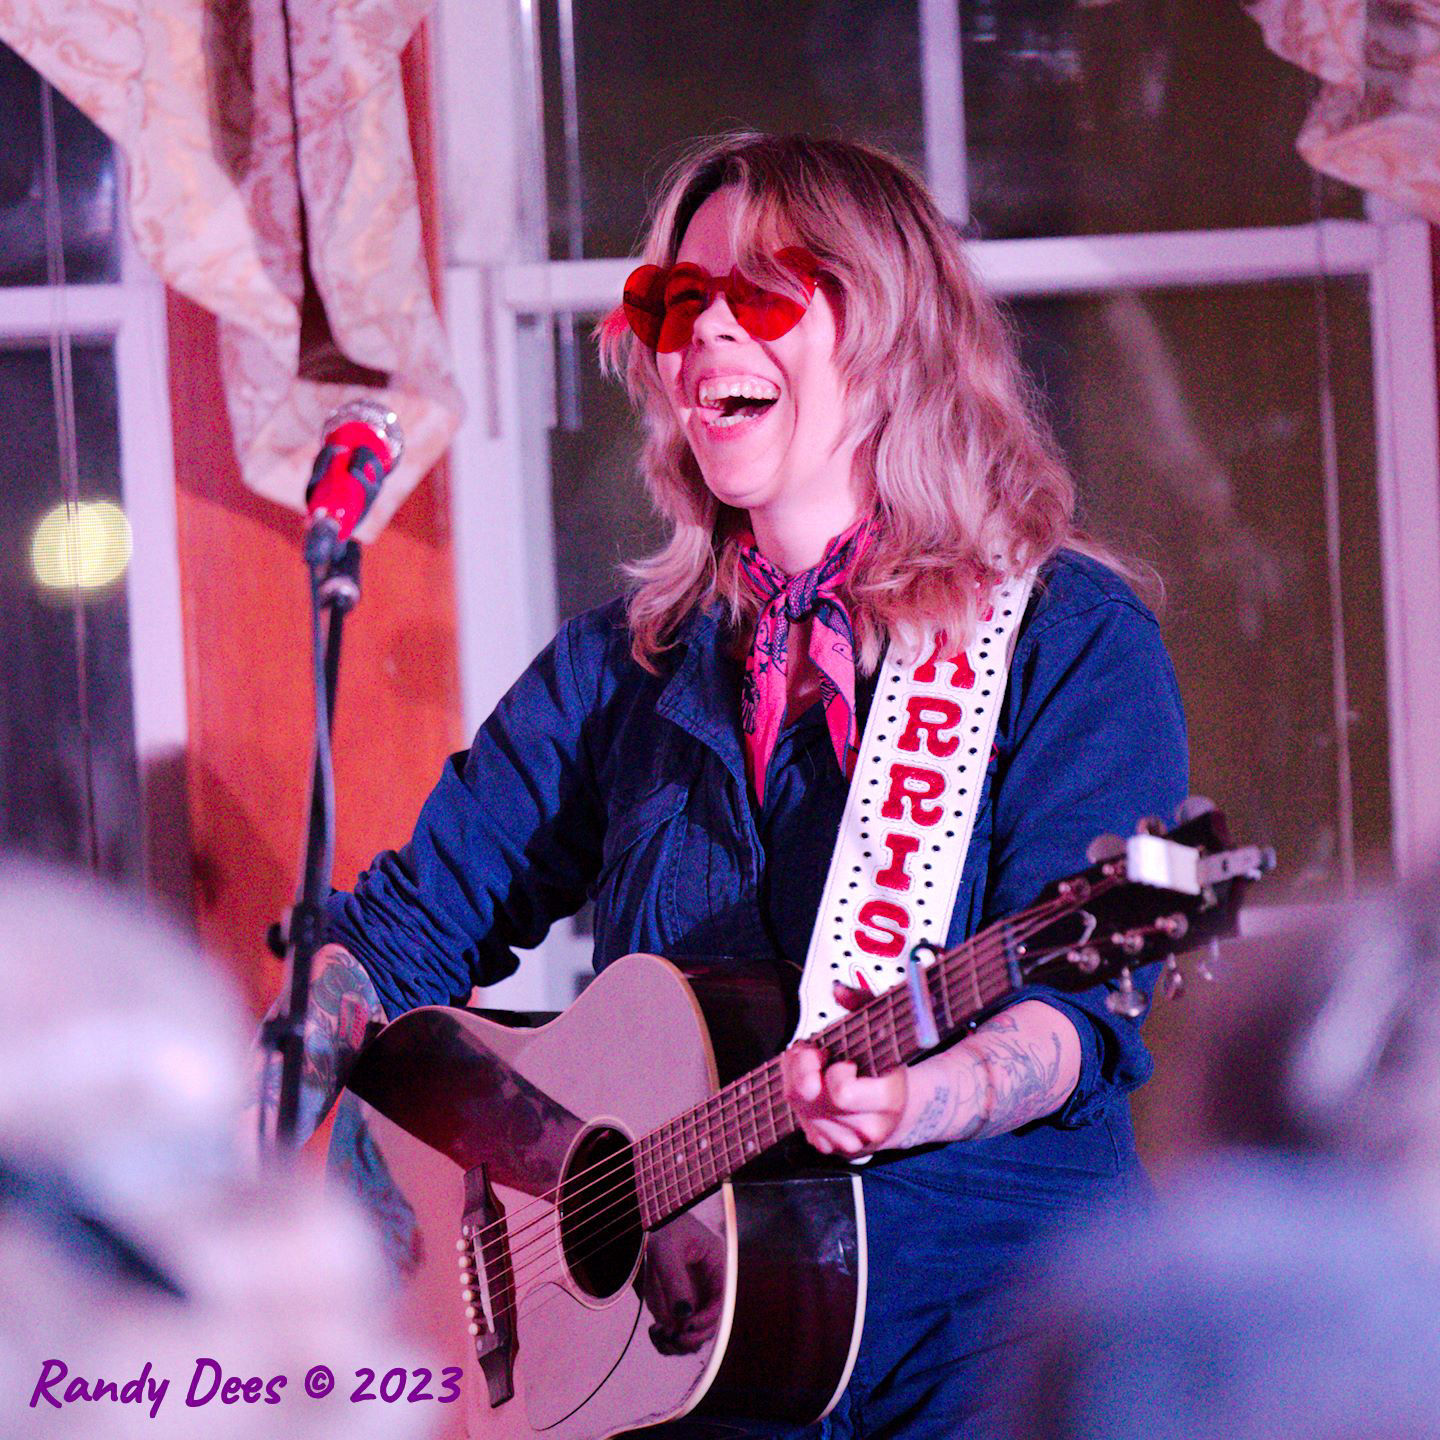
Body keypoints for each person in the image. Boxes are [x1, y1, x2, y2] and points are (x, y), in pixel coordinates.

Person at [262, 132, 1187, 1437]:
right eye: (676, 303)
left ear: (893, 329)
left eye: (759, 292)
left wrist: (923, 1096)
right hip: (694, 1381)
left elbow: (1078, 1012)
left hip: (1009, 1351)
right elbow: (397, 941)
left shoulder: (1062, 637)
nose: (703, 339)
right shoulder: (617, 671)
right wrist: (320, 1149)